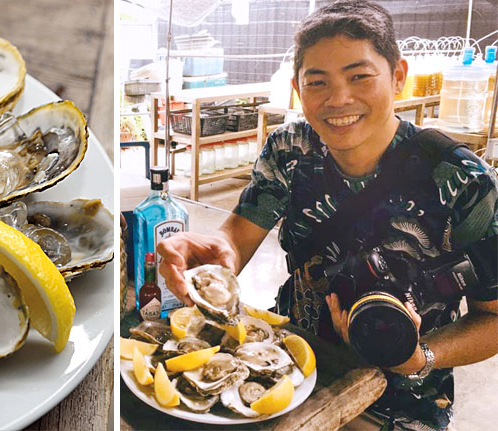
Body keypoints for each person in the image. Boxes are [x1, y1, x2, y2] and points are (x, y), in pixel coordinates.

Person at [156, 1, 498, 430]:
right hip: (287, 367)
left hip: (403, 398)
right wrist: (213, 254)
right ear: (299, 90)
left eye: (359, 76)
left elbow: (493, 318)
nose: (338, 99)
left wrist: (421, 356)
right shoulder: (289, 149)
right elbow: (234, 241)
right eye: (317, 82)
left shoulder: (463, 180)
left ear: (398, 77)